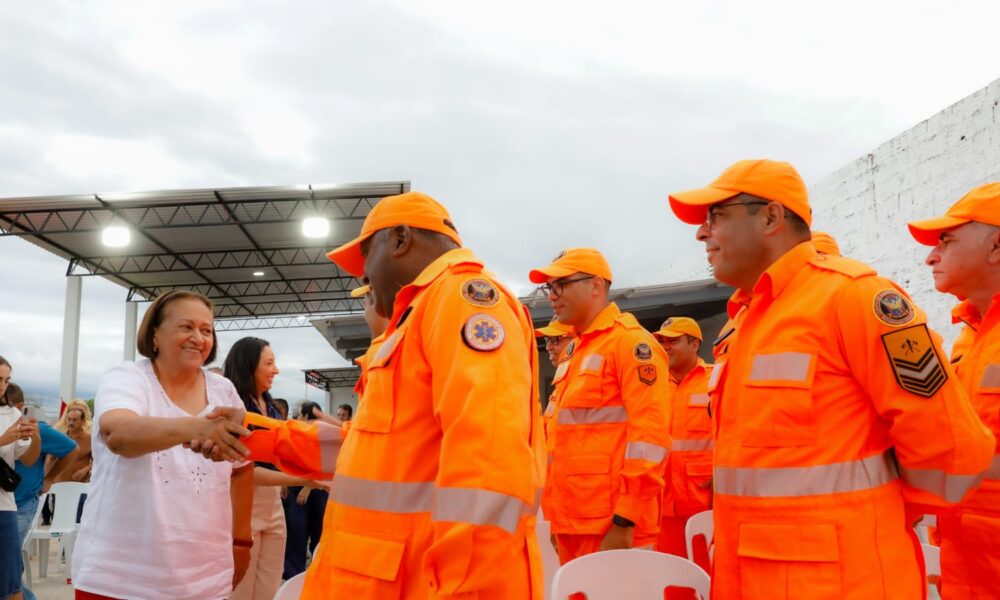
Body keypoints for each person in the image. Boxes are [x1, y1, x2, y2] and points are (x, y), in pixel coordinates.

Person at [667, 158, 996, 599]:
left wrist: (875, 515)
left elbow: (954, 449)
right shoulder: (747, 321)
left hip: (840, 580)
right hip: (752, 575)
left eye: (716, 216)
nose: (702, 233)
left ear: (770, 217)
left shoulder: (853, 298)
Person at [219, 191, 545, 599]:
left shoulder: (460, 300)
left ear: (401, 239)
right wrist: (250, 434)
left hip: (414, 581)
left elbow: (490, 459)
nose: (363, 278)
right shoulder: (420, 317)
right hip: (375, 574)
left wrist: (471, 590)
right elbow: (365, 448)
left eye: (366, 256)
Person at [71, 290, 255, 600]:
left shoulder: (224, 391)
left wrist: (241, 541)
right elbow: (119, 435)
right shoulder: (129, 378)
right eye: (186, 327)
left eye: (206, 330)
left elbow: (242, 468)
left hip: (205, 577)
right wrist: (199, 427)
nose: (198, 337)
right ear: (155, 334)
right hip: (120, 577)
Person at [529, 248, 671, 562]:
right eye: (548, 287)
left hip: (615, 527)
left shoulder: (630, 344)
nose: (552, 296)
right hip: (573, 522)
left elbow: (650, 438)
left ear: (595, 286)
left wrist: (625, 519)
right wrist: (556, 517)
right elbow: (560, 438)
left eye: (561, 285)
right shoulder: (576, 351)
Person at [908, 182, 1000, 599]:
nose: (931, 256)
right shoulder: (973, 338)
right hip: (967, 564)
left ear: (996, 246)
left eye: (946, 241)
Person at [224, 337, 329, 600]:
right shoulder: (235, 410)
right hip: (242, 508)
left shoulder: (270, 407)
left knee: (269, 587)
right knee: (240, 588)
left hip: (272, 508)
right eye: (269, 363)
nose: (276, 370)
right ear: (249, 366)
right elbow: (246, 470)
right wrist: (305, 479)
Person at [650, 318, 713, 575]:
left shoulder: (714, 381)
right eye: (662, 341)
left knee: (711, 577)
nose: (666, 346)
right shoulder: (652, 386)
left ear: (695, 343)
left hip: (705, 504)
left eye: (673, 340)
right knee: (672, 580)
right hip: (663, 507)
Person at [10, 383, 77, 600]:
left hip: (21, 505)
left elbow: (71, 448)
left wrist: (49, 479)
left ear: (20, 407)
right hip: (6, 503)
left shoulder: (39, 429)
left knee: (6, 564)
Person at [0, 357, 40, 600]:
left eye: (6, 380)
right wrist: (3, 439)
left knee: (13, 584)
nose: (2, 385)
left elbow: (27, 459)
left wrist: (35, 436)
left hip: (3, 506)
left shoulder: (10, 413)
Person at [282, 401, 330, 581]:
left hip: (316, 489)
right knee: (296, 531)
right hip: (295, 488)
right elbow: (285, 459)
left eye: (301, 415)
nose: (299, 418)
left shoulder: (322, 435)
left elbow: (325, 466)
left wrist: (308, 487)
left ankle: (319, 574)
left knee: (318, 533)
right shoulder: (293, 434)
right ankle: (294, 576)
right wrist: (283, 483)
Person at [533, 317, 574, 528]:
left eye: (556, 339)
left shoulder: (580, 383)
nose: (548, 346)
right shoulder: (561, 386)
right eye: (548, 340)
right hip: (558, 504)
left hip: (582, 505)